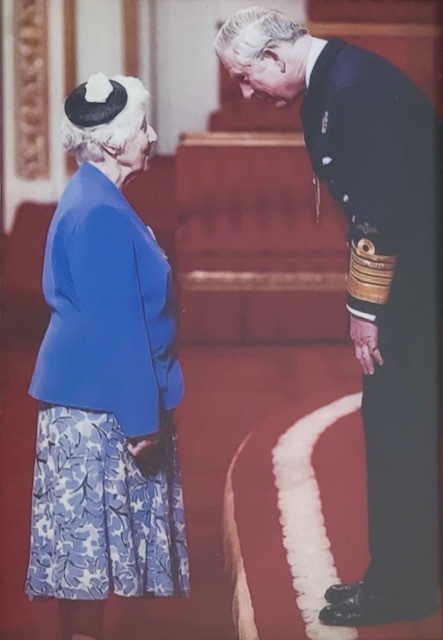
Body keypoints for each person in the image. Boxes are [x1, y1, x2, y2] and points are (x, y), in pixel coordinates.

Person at [215, 7, 441, 627]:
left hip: (415, 283)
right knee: (395, 425)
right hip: (413, 274)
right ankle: (398, 575)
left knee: (399, 431)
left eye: (245, 76)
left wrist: (364, 311)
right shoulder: (335, 78)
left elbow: (378, 213)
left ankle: (402, 590)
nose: (245, 92)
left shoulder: (351, 90)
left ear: (276, 58)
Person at [25, 72, 190, 640]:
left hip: (89, 405)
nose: (152, 135)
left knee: (83, 565)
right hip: (95, 412)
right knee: (84, 563)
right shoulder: (97, 210)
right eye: (143, 126)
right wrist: (144, 419)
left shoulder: (97, 196)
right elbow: (117, 330)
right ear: (115, 142)